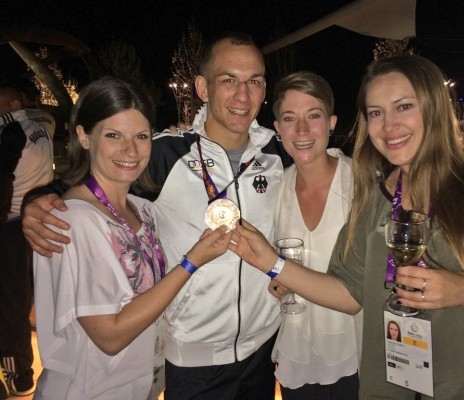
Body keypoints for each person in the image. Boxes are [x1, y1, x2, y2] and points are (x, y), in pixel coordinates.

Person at [228, 55, 464, 399]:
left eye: (403, 106)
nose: (389, 126)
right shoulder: (377, 199)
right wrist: (271, 263)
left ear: (434, 106)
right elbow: (348, 293)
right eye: (376, 113)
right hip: (391, 388)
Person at [21, 33, 292, 400]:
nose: (243, 95)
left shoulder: (280, 155)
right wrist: (39, 198)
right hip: (190, 360)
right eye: (229, 80)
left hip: (261, 351)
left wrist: (286, 268)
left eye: (255, 81)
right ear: (203, 87)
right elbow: (101, 183)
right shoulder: (162, 154)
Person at [32, 76, 232, 399]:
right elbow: (109, 336)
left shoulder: (142, 210)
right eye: (113, 135)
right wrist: (192, 262)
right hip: (88, 390)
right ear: (84, 136)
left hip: (139, 385)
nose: (131, 150)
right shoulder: (76, 219)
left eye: (141, 136)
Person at [268, 71, 362, 400]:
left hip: (354, 354)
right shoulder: (275, 188)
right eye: (290, 118)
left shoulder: (361, 185)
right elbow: (270, 264)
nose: (303, 130)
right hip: (295, 355)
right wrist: (274, 281)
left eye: (314, 116)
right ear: (278, 129)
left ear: (332, 123)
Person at [0, 81, 54, 399]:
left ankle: (19, 376)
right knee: (23, 299)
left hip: (9, 227)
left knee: (10, 306)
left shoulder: (8, 131)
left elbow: (3, 185)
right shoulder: (41, 123)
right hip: (34, 222)